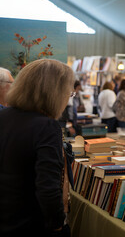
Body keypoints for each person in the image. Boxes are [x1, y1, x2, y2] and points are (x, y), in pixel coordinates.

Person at [0, 59, 74, 236]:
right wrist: (58, 225)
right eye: (68, 92)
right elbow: (48, 186)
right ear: (55, 93)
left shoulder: (4, 116)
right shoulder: (46, 127)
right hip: (29, 222)